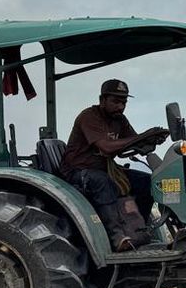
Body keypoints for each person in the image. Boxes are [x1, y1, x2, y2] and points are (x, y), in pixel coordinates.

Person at [61, 79, 169, 251]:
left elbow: (134, 143)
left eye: (124, 102)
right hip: (78, 171)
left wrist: (152, 139)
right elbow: (105, 146)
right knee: (102, 182)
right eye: (115, 101)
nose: (120, 106)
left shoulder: (120, 119)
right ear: (102, 100)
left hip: (104, 169)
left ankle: (137, 230)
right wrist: (141, 137)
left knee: (147, 182)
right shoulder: (89, 117)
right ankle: (117, 237)